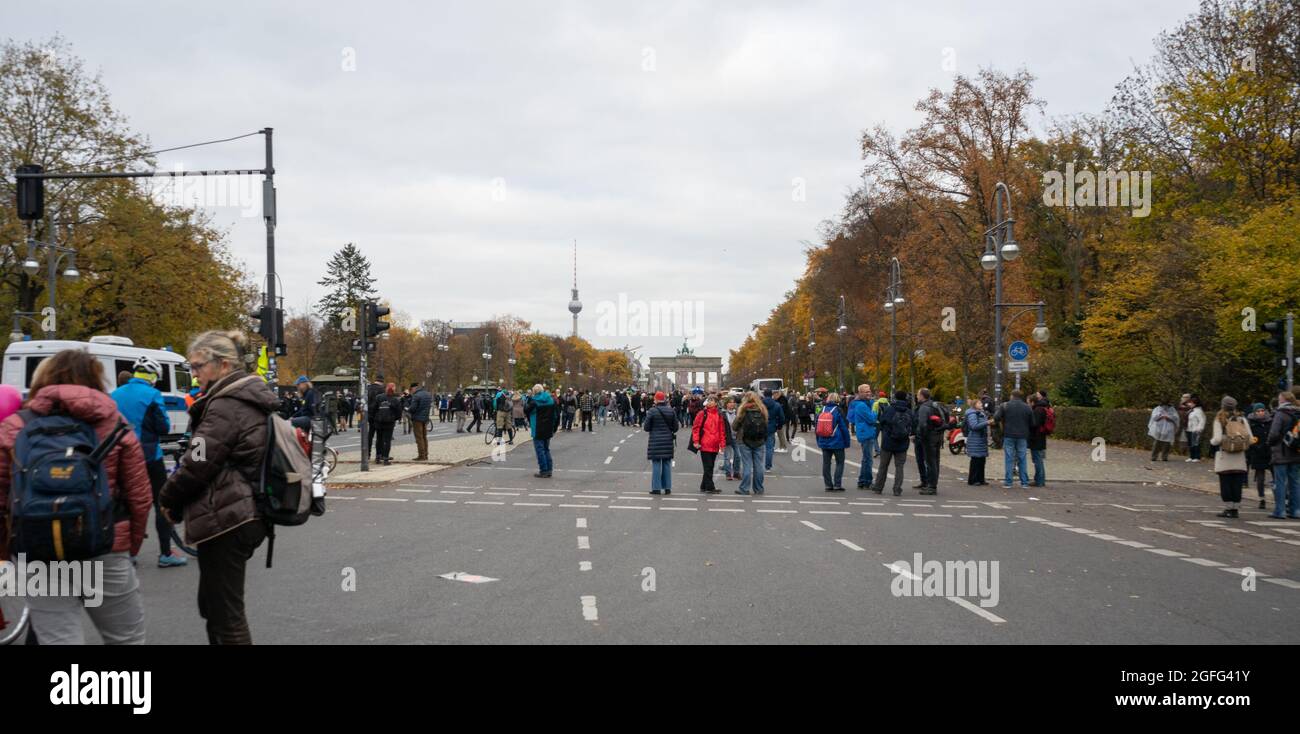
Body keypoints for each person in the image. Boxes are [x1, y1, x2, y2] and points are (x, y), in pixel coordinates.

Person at [0, 349, 152, 644]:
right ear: (95, 379)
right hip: (104, 546)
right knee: (126, 638)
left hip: (38, 550)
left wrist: (6, 553)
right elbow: (140, 496)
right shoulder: (114, 422)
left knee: (59, 641)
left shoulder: (16, 426)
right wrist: (128, 547)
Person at [160, 330, 277, 644]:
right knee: (215, 607)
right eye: (191, 367)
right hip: (242, 511)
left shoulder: (225, 406)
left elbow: (198, 460)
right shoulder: (241, 399)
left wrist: (168, 498)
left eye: (198, 366)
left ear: (223, 365)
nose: (194, 374)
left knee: (226, 616)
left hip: (229, 517)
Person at [111, 355, 186, 568]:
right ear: (153, 376)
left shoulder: (114, 394)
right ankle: (165, 553)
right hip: (149, 456)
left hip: (122, 457)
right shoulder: (153, 395)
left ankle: (128, 553)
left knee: (125, 504)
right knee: (161, 503)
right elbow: (163, 427)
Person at [1209, 396, 1250, 518]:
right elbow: (1249, 437)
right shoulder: (1242, 419)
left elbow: (1217, 439)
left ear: (1222, 406)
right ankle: (1235, 509)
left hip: (1225, 455)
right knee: (1237, 483)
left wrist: (1212, 442)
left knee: (1226, 483)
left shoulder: (1219, 420)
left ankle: (1228, 508)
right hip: (1240, 456)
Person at [871, 390, 914, 496]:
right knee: (899, 467)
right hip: (903, 442)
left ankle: (878, 487)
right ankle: (897, 489)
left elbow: (881, 421)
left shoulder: (890, 409)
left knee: (883, 466)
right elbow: (913, 425)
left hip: (888, 442)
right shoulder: (909, 411)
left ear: (895, 398)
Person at [1266, 390, 1300, 519]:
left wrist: (1270, 443)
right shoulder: (1298, 412)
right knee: (1295, 482)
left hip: (1281, 452)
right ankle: (1296, 510)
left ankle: (1280, 511)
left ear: (1283, 400)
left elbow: (1274, 432)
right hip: (1296, 452)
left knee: (1280, 482)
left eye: (1279, 399)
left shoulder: (1280, 413)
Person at [994, 389, 1034, 489]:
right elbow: (1033, 423)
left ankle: (1008, 482)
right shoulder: (1027, 407)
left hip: (1009, 435)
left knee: (1009, 458)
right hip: (1022, 436)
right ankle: (1024, 482)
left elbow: (996, 417)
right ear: (1021, 397)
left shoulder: (1005, 405)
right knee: (1022, 458)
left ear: (1012, 396)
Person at [732, 391, 769, 495]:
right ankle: (759, 489)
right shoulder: (762, 409)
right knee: (759, 466)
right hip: (760, 440)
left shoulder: (743, 410)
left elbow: (734, 427)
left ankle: (744, 488)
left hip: (744, 440)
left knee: (747, 465)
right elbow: (766, 424)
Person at [815, 391, 851, 491]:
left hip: (824, 440)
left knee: (826, 463)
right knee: (840, 462)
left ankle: (828, 484)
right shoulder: (838, 410)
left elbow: (817, 427)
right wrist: (847, 442)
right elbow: (844, 427)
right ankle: (837, 484)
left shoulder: (822, 410)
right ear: (837, 400)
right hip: (837, 441)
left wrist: (818, 440)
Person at [643, 391, 678, 494]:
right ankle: (667, 488)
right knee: (667, 463)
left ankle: (656, 488)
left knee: (656, 464)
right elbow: (675, 427)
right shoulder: (671, 411)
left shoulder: (652, 411)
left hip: (655, 441)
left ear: (656, 399)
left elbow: (646, 427)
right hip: (667, 441)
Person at [915, 388, 948, 494]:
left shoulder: (924, 407)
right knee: (935, 461)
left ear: (922, 396)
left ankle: (931, 487)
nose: (917, 396)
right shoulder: (935, 405)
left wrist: (920, 437)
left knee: (930, 462)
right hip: (938, 436)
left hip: (929, 438)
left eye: (918, 395)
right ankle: (932, 484)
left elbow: (922, 424)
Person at [692, 396, 726, 494]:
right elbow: (696, 428)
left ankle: (703, 485)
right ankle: (710, 487)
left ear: (716, 403)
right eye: (709, 400)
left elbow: (721, 430)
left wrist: (722, 443)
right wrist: (696, 441)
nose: (710, 402)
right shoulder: (702, 413)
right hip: (705, 443)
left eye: (712, 400)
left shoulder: (719, 415)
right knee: (708, 466)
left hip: (714, 444)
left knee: (710, 466)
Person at [847, 384, 877, 489]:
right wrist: (875, 411)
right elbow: (872, 419)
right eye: (866, 392)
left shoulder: (863, 404)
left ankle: (862, 481)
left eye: (869, 391)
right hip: (866, 433)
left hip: (865, 432)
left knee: (866, 458)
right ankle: (867, 481)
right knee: (868, 459)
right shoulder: (861, 406)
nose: (869, 393)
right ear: (860, 393)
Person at [525, 384, 558, 478]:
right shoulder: (551, 400)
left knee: (540, 450)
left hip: (538, 428)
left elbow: (526, 410)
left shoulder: (534, 401)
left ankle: (543, 470)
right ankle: (549, 470)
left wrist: (529, 399)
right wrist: (554, 428)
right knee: (546, 449)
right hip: (548, 428)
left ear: (534, 392)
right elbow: (556, 415)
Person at [1246, 402, 1273, 510]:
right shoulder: (1251, 423)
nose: (1261, 413)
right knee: (1260, 477)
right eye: (1258, 411)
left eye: (1262, 410)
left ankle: (1279, 498)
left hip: (1269, 451)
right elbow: (1249, 437)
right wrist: (1255, 447)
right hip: (1257, 452)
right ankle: (1262, 498)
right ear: (1254, 412)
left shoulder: (1270, 421)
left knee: (1275, 475)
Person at [1029, 390, 1052, 487]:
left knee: (1037, 459)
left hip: (1037, 438)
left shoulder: (1038, 410)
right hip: (1041, 437)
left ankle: (1040, 481)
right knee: (1039, 459)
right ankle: (1039, 479)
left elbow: (1035, 424)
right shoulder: (1045, 407)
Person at [371, 384, 399, 465]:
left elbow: (373, 409)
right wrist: (394, 418)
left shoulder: (379, 397)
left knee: (379, 439)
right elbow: (398, 412)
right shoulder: (395, 399)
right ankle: (386, 458)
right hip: (389, 422)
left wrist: (375, 418)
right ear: (393, 389)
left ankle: (378, 457)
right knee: (387, 440)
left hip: (379, 422)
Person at [965, 397, 990, 485]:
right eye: (979, 403)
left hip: (981, 440)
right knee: (975, 460)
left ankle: (980, 479)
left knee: (981, 460)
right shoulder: (972, 414)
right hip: (975, 439)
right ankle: (973, 480)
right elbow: (974, 426)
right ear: (974, 405)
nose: (981, 405)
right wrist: (987, 423)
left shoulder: (980, 413)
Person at [761, 389, 785, 471]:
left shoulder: (760, 404)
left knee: (758, 448)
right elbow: (782, 418)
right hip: (771, 427)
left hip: (760, 427)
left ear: (764, 394)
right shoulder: (776, 405)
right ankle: (768, 466)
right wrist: (779, 426)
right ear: (771, 395)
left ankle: (757, 465)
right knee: (769, 448)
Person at [408, 382, 432, 461]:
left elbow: (413, 408)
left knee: (419, 437)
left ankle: (421, 456)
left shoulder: (416, 396)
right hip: (425, 418)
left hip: (417, 419)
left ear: (413, 388)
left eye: (411, 390)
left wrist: (408, 409)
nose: (411, 392)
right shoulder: (428, 394)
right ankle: (426, 454)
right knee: (424, 437)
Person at [363, 374, 385, 459]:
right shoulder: (382, 389)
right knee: (380, 435)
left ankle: (367, 454)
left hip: (369, 414)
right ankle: (378, 454)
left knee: (370, 434)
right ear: (382, 382)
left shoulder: (368, 388)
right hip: (379, 415)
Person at [721, 397, 739, 481]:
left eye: (733, 402)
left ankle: (736, 472)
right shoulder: (722, 414)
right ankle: (728, 473)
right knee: (727, 457)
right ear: (726, 404)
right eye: (730, 402)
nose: (732, 404)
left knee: (738, 455)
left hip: (737, 437)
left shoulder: (738, 413)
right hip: (727, 437)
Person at [1185, 396, 1205, 462]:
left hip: (1195, 430)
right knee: (1190, 444)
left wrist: (1199, 429)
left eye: (1191, 403)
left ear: (1195, 404)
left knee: (1196, 443)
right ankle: (1191, 456)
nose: (1189, 404)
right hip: (1189, 429)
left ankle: (1197, 457)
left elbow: (1202, 420)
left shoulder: (1199, 411)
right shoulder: (1191, 410)